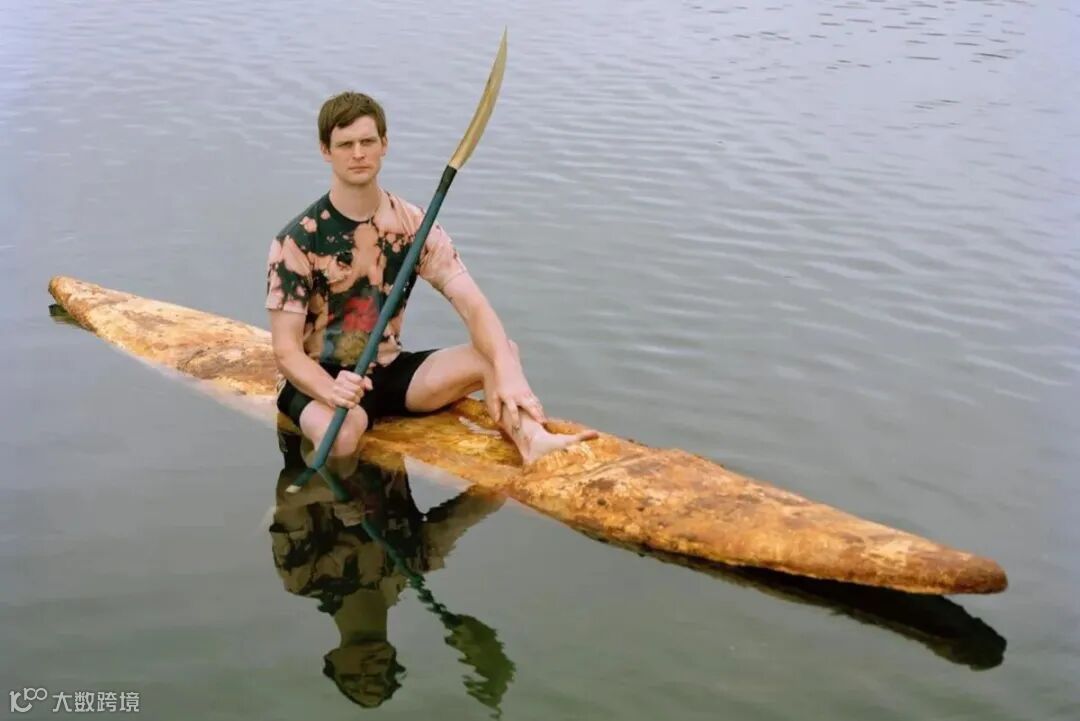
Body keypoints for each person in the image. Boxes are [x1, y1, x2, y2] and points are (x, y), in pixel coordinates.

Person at [265, 92, 596, 473]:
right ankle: (329, 502)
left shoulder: (413, 226)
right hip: (319, 378)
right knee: (340, 434)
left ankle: (533, 441)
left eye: (367, 141)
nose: (358, 154)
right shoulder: (297, 241)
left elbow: (472, 304)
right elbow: (286, 351)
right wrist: (331, 390)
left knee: (498, 351)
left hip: (387, 368)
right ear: (326, 150)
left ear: (384, 144)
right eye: (345, 144)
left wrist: (508, 372)